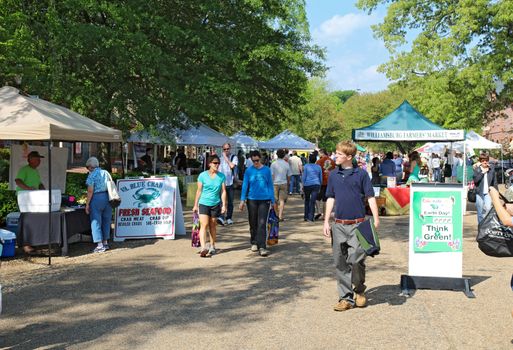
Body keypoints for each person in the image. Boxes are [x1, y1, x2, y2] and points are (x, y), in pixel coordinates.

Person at [323, 141, 380, 312]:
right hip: (338, 225)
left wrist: (376, 218)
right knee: (340, 262)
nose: (335, 156)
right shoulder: (333, 175)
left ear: (349, 157)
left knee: (356, 259)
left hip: (358, 224)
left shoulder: (361, 174)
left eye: (339, 154)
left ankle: (359, 290)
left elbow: (370, 197)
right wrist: (326, 221)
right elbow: (330, 198)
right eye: (336, 153)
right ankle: (345, 298)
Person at [239, 150, 275, 257]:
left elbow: (270, 186)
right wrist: (242, 200)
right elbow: (245, 185)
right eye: (253, 160)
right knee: (253, 221)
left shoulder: (267, 170)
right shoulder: (248, 171)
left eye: (257, 160)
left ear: (260, 159)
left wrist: (273, 201)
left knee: (262, 223)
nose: (255, 162)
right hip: (252, 199)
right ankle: (254, 242)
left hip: (265, 199)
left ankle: (262, 246)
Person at [192, 155, 227, 257]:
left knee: (212, 225)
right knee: (204, 224)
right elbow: (199, 191)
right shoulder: (202, 176)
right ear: (209, 164)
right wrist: (195, 205)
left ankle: (212, 245)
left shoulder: (221, 176)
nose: (217, 165)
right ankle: (203, 247)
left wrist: (224, 205)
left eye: (218, 163)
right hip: (203, 203)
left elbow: (223, 191)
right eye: (215, 163)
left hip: (215, 204)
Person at [15, 151, 46, 254]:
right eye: (37, 159)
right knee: (26, 221)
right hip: (25, 199)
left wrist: (43, 189)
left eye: (39, 159)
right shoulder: (24, 170)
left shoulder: (35, 171)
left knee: (33, 220)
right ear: (30, 159)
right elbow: (18, 181)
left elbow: (39, 183)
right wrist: (28, 188)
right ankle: (26, 245)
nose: (39, 161)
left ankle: (32, 242)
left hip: (34, 199)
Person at [85, 157, 113, 253]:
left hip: (96, 198)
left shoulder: (91, 175)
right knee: (106, 220)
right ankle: (105, 242)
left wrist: (87, 204)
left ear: (89, 167)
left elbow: (90, 191)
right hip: (108, 198)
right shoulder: (105, 172)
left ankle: (99, 244)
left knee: (96, 221)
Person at [217, 143, 238, 225]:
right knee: (221, 202)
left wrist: (226, 157)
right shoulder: (219, 159)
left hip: (230, 182)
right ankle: (221, 217)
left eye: (227, 149)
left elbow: (232, 166)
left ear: (230, 148)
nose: (226, 150)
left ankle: (229, 217)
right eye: (224, 149)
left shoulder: (234, 157)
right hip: (221, 183)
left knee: (230, 202)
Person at [473, 154, 497, 223]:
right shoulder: (477, 169)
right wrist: (482, 173)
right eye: (483, 161)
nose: (485, 162)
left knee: (488, 210)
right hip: (479, 193)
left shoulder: (491, 170)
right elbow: (476, 180)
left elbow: (494, 182)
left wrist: (496, 192)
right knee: (480, 212)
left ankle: (485, 227)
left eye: (486, 160)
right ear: (480, 161)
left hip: (488, 193)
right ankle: (480, 227)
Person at [270, 149, 291, 221]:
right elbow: (289, 175)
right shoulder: (286, 164)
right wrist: (288, 183)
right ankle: (280, 215)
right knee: (282, 200)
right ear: (284, 155)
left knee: (275, 200)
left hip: (275, 183)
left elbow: (271, 175)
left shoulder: (273, 164)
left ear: (277, 155)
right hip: (284, 183)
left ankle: (276, 214)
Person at [315, 149, 335, 220]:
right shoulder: (332, 161)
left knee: (317, 198)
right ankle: (324, 215)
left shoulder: (319, 161)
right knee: (325, 199)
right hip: (329, 181)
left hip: (321, 181)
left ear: (322, 153)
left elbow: (316, 172)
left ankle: (319, 211)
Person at [302, 154, 322, 222]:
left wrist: (303, 185)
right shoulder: (318, 167)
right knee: (312, 201)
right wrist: (320, 185)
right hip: (316, 184)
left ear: (309, 159)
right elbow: (320, 177)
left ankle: (306, 216)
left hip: (307, 185)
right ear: (315, 160)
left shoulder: (306, 166)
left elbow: (304, 176)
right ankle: (311, 217)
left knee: (307, 200)